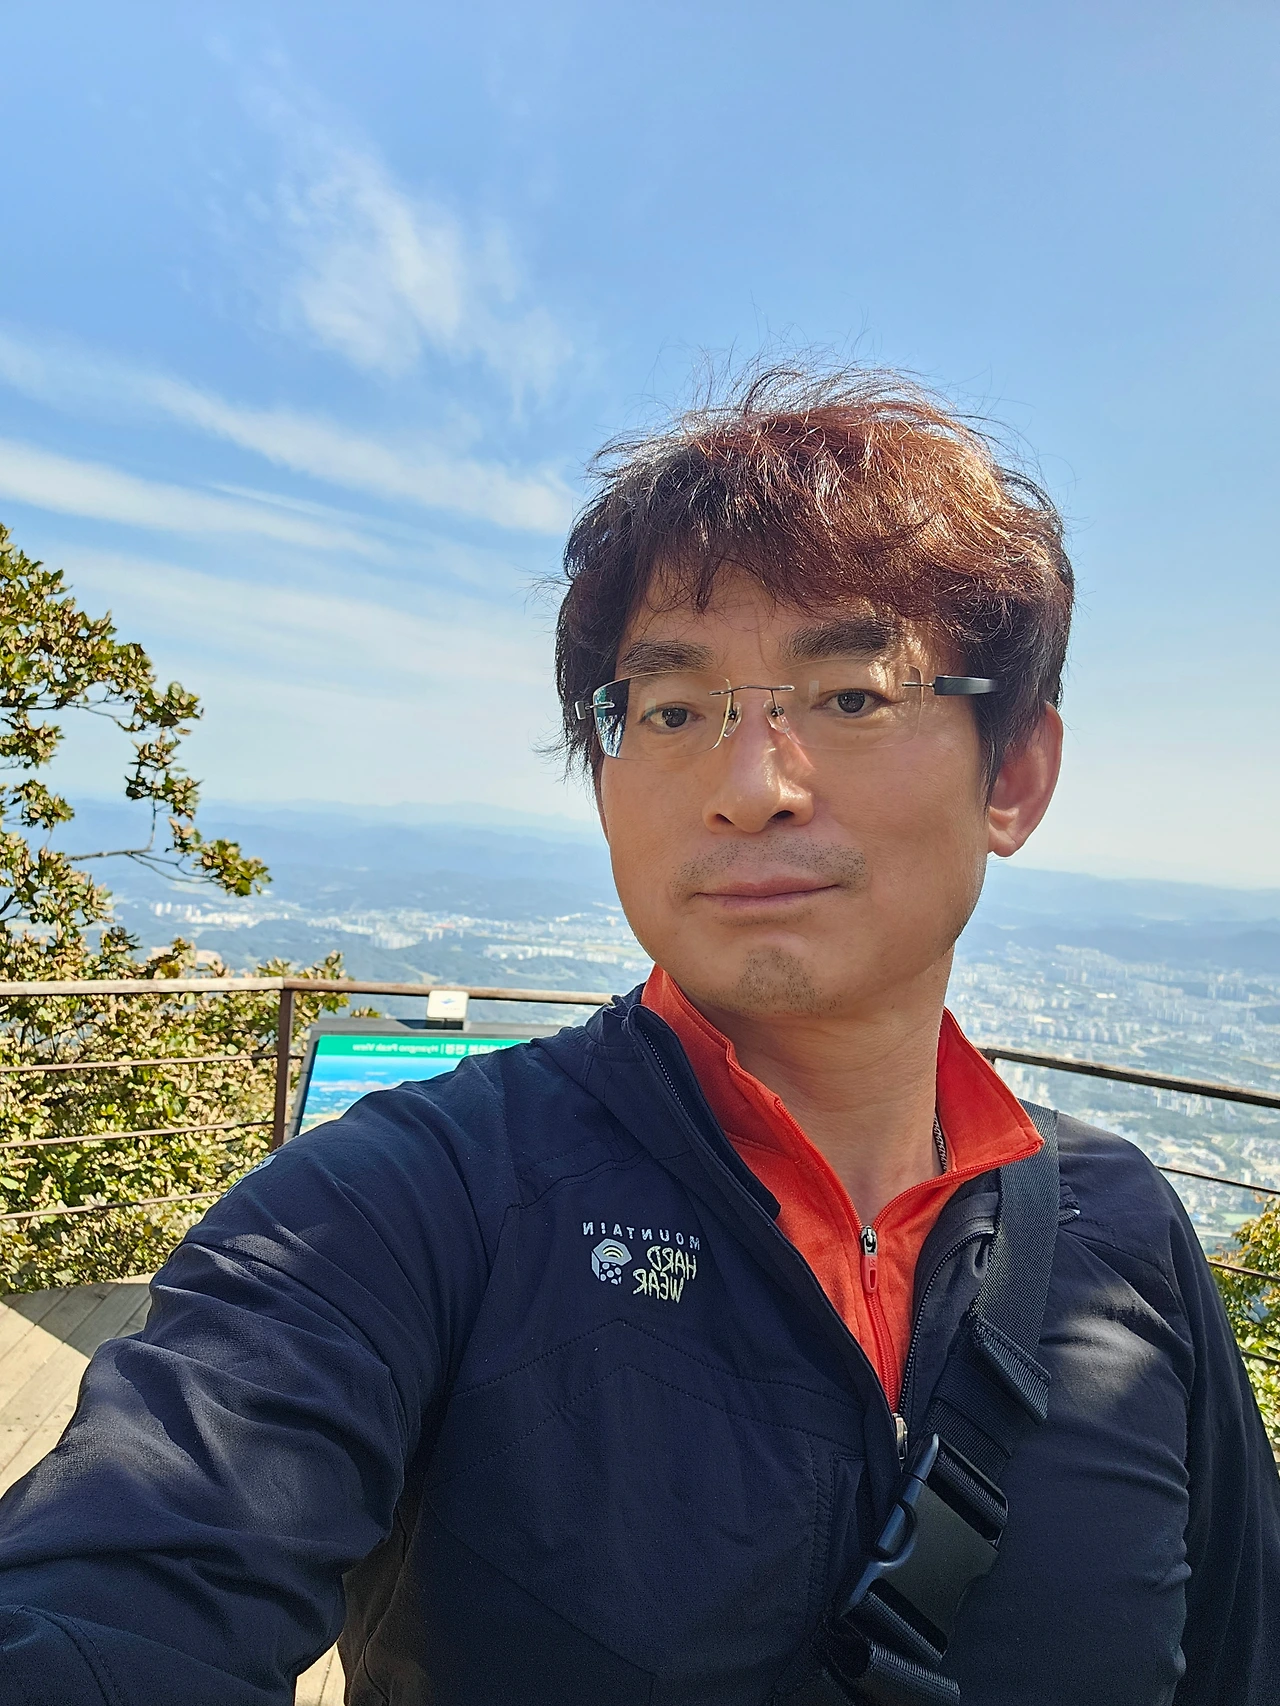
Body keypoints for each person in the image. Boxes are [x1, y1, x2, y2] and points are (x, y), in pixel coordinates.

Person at [0, 368, 1276, 1706]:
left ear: (1012, 773)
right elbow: (110, 1591)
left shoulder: (1122, 1235)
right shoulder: (410, 1204)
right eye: (671, 711)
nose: (751, 785)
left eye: (850, 695)